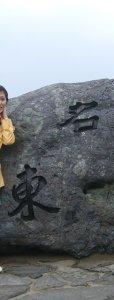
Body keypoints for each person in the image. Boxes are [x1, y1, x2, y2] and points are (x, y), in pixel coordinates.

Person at [0, 85, 15, 273]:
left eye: (3, 99)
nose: (0, 102)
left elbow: (10, 140)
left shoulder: (5, 121)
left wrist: (4, 120)